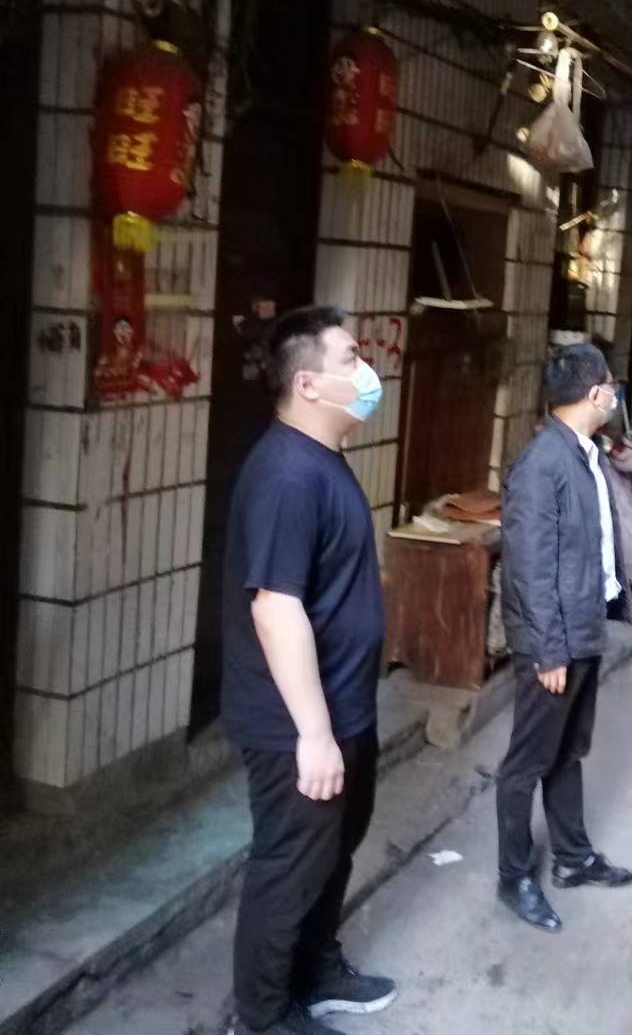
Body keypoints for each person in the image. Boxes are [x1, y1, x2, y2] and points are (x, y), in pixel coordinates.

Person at [222, 306, 396, 1035]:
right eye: (350, 358)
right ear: (308, 384)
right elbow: (275, 608)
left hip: (342, 707)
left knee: (332, 852)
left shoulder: (321, 458)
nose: (368, 371)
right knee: (290, 864)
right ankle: (261, 1018)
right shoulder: (287, 474)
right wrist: (315, 736)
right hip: (295, 724)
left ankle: (316, 971)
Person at [496, 342, 632, 932]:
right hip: (552, 642)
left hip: (583, 627)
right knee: (526, 762)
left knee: (567, 750)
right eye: (611, 385)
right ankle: (513, 877)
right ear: (593, 392)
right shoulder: (542, 464)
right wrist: (548, 651)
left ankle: (573, 858)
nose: (615, 394)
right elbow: (529, 568)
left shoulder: (584, 453)